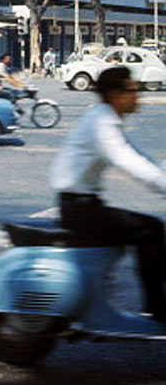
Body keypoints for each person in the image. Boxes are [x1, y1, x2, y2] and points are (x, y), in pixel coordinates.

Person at [49, 66, 166, 321]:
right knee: (151, 229)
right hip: (79, 209)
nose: (138, 97)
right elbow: (128, 162)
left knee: (150, 228)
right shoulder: (102, 123)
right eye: (133, 91)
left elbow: (139, 156)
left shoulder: (105, 118)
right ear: (116, 95)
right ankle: (156, 308)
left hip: (83, 204)